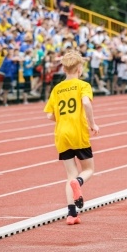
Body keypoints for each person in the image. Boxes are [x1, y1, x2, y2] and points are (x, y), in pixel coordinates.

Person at [44, 50, 100, 225]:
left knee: (70, 175)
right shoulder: (83, 85)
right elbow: (85, 103)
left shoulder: (57, 88)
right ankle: (79, 182)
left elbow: (50, 116)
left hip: (61, 134)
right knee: (89, 169)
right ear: (79, 68)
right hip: (78, 132)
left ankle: (71, 214)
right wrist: (92, 123)